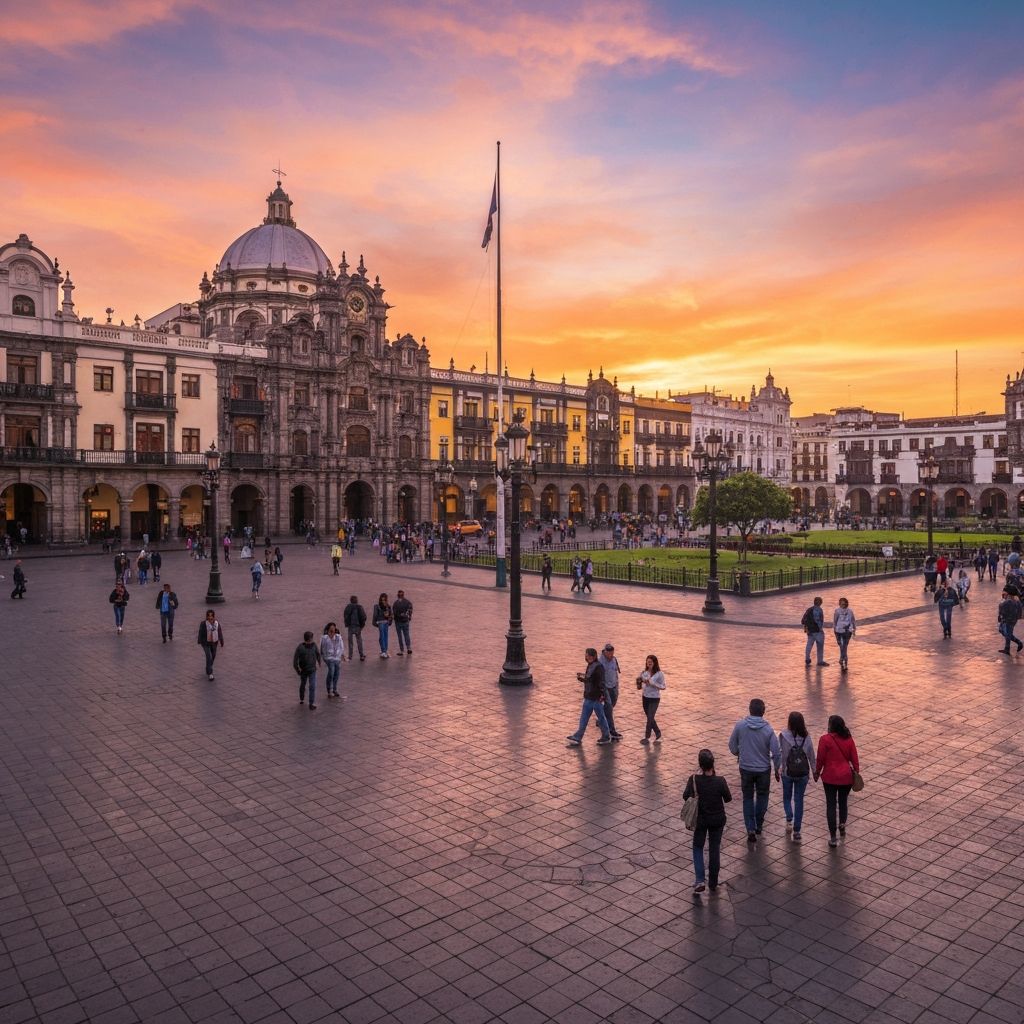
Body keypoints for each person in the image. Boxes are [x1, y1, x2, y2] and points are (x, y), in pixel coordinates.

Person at [728, 698, 781, 843]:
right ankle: (759, 824)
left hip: (745, 767)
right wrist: (777, 768)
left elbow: (732, 745)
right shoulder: (768, 729)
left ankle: (750, 828)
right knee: (763, 796)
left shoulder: (740, 726)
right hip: (763, 769)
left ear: (750, 710)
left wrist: (740, 753)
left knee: (748, 797)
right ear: (763, 712)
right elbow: (776, 752)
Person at [682, 749, 732, 893]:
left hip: (701, 820)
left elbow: (685, 796)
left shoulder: (694, 779)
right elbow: (728, 798)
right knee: (714, 848)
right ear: (713, 763)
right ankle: (713, 882)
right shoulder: (720, 781)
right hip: (717, 819)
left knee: (698, 846)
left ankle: (699, 880)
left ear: (700, 764)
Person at [814, 714, 860, 848]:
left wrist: (817, 771)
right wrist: (856, 772)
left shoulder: (825, 739)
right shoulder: (849, 739)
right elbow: (855, 759)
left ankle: (833, 837)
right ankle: (842, 824)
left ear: (831, 726)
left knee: (831, 805)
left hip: (829, 777)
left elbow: (820, 758)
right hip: (846, 777)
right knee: (843, 802)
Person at [777, 712, 816, 843]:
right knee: (799, 800)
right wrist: (815, 771)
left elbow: (781, 754)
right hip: (803, 774)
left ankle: (789, 817)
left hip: (787, 773)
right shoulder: (807, 737)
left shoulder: (783, 735)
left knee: (787, 797)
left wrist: (779, 769)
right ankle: (797, 831)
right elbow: (811, 755)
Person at [566, 648, 611, 746]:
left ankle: (606, 736)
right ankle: (578, 737)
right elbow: (590, 679)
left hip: (596, 697)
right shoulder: (591, 665)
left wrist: (602, 695)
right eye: (587, 656)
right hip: (589, 696)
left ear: (594, 656)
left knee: (601, 717)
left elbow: (601, 682)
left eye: (590, 656)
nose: (588, 657)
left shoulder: (598, 667)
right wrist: (582, 678)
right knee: (584, 718)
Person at [637, 654, 666, 744]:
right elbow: (639, 687)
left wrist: (653, 684)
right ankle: (658, 734)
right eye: (647, 662)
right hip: (645, 697)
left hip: (654, 698)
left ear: (654, 663)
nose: (649, 663)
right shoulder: (644, 673)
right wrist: (639, 681)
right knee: (650, 718)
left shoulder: (660, 674)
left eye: (650, 662)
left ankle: (647, 737)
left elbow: (663, 686)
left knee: (650, 717)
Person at [597, 643, 623, 741]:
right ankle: (612, 731)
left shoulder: (614, 659)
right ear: (605, 652)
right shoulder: (600, 662)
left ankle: (601, 719)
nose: (611, 655)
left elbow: (616, 672)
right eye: (609, 653)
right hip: (605, 687)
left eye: (612, 653)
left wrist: (617, 685)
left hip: (614, 686)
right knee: (609, 707)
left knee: (612, 704)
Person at [293, 630, 322, 709]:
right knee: (303, 684)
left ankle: (311, 703)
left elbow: (318, 654)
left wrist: (319, 662)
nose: (312, 640)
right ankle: (302, 698)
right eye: (311, 638)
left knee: (312, 686)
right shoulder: (300, 648)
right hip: (304, 670)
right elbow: (295, 661)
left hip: (312, 670)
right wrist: (298, 671)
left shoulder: (314, 645)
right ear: (309, 639)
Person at [801, 596, 829, 666]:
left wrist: (806, 629)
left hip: (810, 631)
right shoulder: (819, 610)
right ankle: (820, 661)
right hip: (817, 631)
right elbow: (819, 621)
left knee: (809, 645)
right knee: (820, 646)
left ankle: (807, 658)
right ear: (820, 603)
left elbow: (803, 620)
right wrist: (820, 629)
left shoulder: (809, 609)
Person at [197, 609, 224, 680]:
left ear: (214, 616)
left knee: (213, 656)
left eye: (211, 616)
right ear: (206, 616)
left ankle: (208, 667)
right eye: (208, 616)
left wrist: (221, 641)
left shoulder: (216, 623)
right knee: (209, 656)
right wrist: (200, 641)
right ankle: (210, 673)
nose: (210, 617)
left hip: (214, 642)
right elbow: (200, 632)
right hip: (205, 643)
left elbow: (219, 632)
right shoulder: (203, 623)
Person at [321, 623, 345, 699]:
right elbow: (322, 648)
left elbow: (341, 647)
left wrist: (341, 655)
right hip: (329, 658)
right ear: (328, 630)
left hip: (337, 658)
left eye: (333, 628)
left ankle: (334, 689)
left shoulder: (338, 637)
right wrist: (324, 657)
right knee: (331, 671)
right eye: (331, 629)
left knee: (336, 673)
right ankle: (329, 690)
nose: (332, 630)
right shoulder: (325, 638)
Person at [832, 597, 856, 671]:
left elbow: (853, 620)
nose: (843, 605)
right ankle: (842, 660)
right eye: (842, 604)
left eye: (845, 604)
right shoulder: (837, 611)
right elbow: (835, 621)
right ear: (839, 604)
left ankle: (843, 661)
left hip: (847, 631)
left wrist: (854, 630)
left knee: (844, 647)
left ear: (847, 604)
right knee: (842, 647)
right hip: (839, 631)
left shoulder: (850, 611)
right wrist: (834, 630)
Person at [998, 589, 1023, 655]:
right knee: (1004, 631)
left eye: (1004, 594)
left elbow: (1001, 609)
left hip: (1008, 620)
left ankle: (1007, 649)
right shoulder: (1016, 601)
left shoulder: (1008, 601)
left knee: (1007, 633)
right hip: (1011, 620)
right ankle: (1019, 643)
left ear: (1008, 594)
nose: (1003, 596)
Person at [344, 595, 367, 661]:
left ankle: (350, 656)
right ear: (356, 600)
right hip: (357, 626)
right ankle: (361, 655)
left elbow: (345, 616)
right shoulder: (359, 607)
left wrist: (347, 624)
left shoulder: (348, 607)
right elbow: (364, 617)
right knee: (359, 641)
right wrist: (362, 625)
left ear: (350, 600)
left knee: (350, 642)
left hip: (350, 626)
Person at [392, 589, 413, 655]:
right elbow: (410, 610)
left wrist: (399, 615)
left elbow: (394, 613)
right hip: (405, 621)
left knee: (400, 636)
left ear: (397, 595)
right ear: (403, 595)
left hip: (398, 621)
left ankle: (402, 650)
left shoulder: (395, 603)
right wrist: (409, 617)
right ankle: (409, 648)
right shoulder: (408, 602)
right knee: (406, 635)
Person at [372, 593, 393, 658]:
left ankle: (384, 651)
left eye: (384, 600)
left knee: (383, 637)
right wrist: (390, 621)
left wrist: (374, 622)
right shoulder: (387, 606)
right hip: (384, 623)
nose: (383, 601)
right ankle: (384, 651)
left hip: (382, 623)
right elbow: (391, 615)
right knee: (384, 637)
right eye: (382, 600)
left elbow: (375, 615)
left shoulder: (379, 606)